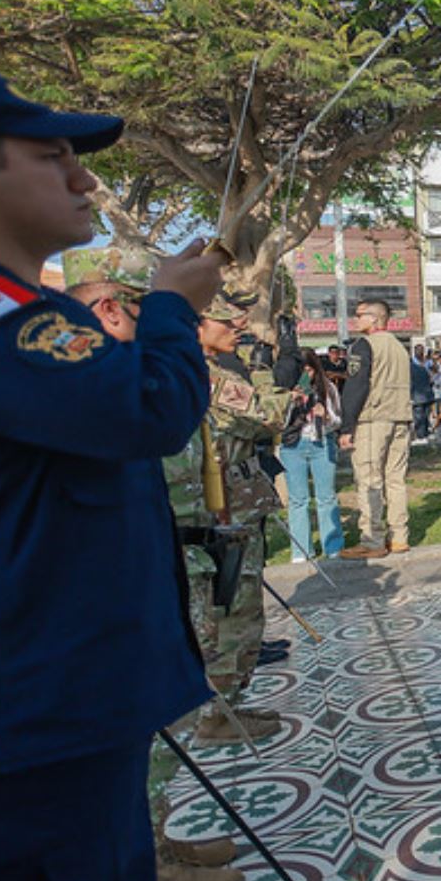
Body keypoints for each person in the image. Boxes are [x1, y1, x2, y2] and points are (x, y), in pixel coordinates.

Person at [0, 69, 226, 881]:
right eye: (53, 158)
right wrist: (172, 308)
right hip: (28, 733)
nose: (85, 182)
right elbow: (147, 410)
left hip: (54, 714)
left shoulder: (14, 308)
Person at [64, 247, 248, 881]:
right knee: (148, 721)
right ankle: (145, 862)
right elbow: (161, 418)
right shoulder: (91, 374)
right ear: (109, 311)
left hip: (159, 558)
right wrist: (175, 310)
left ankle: (155, 840)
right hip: (114, 591)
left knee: (165, 712)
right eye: (137, 307)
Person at [190, 290, 293, 745]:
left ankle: (225, 705)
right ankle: (217, 714)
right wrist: (264, 371)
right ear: (199, 324)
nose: (240, 330)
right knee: (232, 613)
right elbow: (271, 413)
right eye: (228, 323)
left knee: (235, 609)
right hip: (223, 508)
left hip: (234, 501)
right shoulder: (204, 374)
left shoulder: (202, 370)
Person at [337, 299, 412, 558]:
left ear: (374, 318)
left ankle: (372, 539)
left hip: (373, 418)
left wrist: (347, 426)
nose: (355, 320)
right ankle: (399, 536)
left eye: (359, 315)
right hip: (401, 416)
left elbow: (356, 387)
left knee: (369, 480)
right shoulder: (400, 348)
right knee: (396, 479)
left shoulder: (364, 345)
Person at [281, 348, 344, 562]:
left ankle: (332, 545)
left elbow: (337, 419)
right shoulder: (285, 390)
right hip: (293, 444)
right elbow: (277, 420)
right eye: (301, 370)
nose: (306, 375)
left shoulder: (327, 388)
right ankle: (301, 550)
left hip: (321, 442)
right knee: (298, 499)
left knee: (326, 496)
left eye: (309, 370)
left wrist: (325, 416)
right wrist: (291, 401)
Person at [410, 341, 434, 441]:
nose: (421, 353)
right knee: (419, 417)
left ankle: (424, 435)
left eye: (422, 351)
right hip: (418, 395)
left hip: (426, 395)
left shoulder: (426, 363)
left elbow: (431, 377)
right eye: (419, 351)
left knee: (424, 416)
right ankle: (421, 435)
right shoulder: (411, 364)